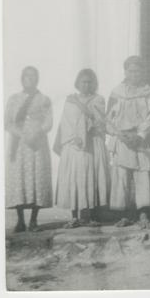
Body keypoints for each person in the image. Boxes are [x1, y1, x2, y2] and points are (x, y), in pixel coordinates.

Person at [106, 56, 150, 229]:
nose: (133, 74)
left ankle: (143, 214)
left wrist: (140, 135)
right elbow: (109, 119)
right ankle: (124, 215)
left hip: (141, 140)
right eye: (130, 71)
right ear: (125, 72)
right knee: (122, 177)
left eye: (137, 70)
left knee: (143, 175)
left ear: (143, 72)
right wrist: (120, 135)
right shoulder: (117, 92)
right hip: (122, 139)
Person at [54, 68, 109, 228]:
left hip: (92, 143)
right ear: (77, 83)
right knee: (75, 178)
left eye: (89, 82)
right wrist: (74, 137)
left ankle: (92, 215)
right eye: (83, 82)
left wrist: (80, 105)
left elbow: (97, 119)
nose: (86, 85)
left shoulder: (98, 99)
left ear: (94, 84)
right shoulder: (69, 101)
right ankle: (74, 216)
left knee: (91, 176)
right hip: (73, 144)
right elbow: (65, 122)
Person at [5, 66, 53, 232]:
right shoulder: (13, 99)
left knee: (36, 178)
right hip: (19, 145)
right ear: (22, 79)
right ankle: (20, 221)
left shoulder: (44, 99)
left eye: (33, 77)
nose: (30, 80)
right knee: (20, 179)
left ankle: (33, 220)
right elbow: (8, 122)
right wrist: (21, 134)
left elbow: (48, 121)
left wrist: (37, 132)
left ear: (37, 79)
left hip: (37, 144)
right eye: (27, 77)